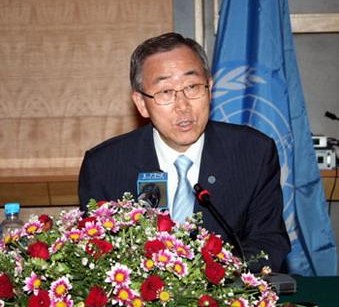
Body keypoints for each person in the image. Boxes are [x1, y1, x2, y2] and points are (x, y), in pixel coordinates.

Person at [78, 32, 290, 272]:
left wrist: (210, 278)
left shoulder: (253, 153)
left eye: (192, 87)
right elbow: (97, 252)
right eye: (165, 92)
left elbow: (269, 242)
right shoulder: (105, 166)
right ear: (141, 103)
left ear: (210, 88)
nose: (183, 106)